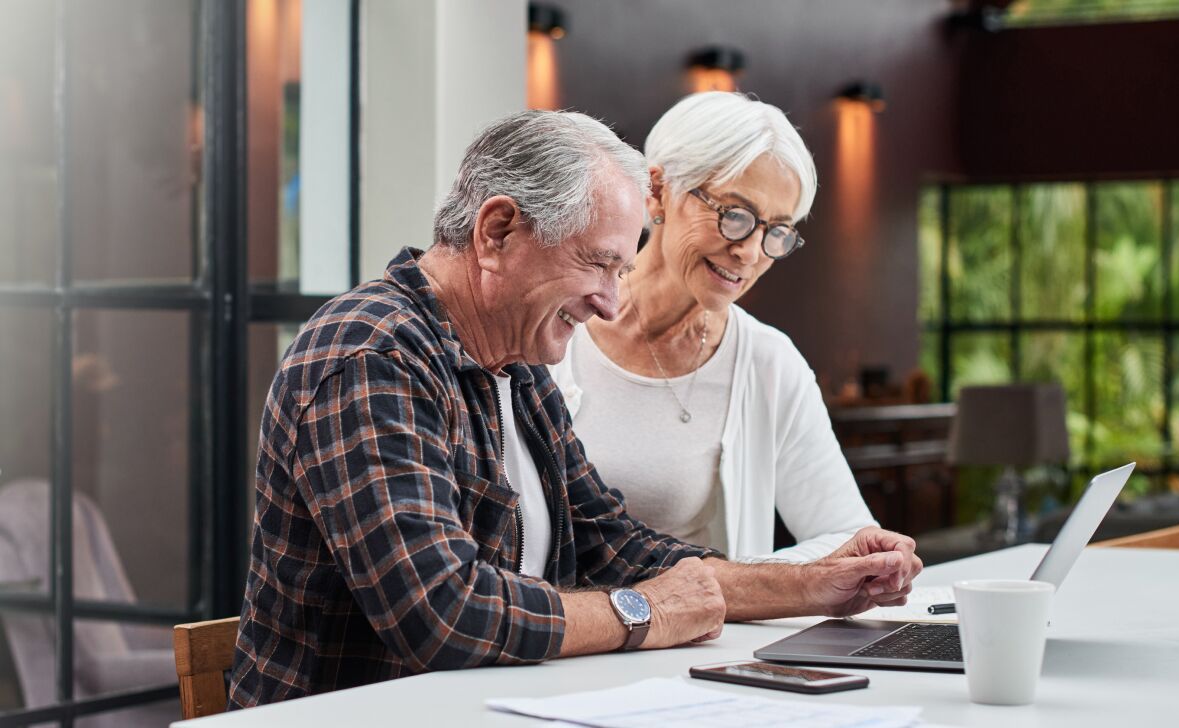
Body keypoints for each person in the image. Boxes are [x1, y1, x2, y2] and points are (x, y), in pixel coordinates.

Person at [228, 110, 921, 709]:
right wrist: (644, 610)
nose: (611, 304)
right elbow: (442, 614)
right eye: (599, 265)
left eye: (622, 271)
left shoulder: (517, 363)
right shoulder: (370, 354)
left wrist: (815, 586)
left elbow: (615, 544)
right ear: (498, 232)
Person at [551, 92, 878, 561]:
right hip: (559, 628)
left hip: (702, 634)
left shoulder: (768, 363)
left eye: (776, 230)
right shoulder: (554, 329)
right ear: (658, 192)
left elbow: (850, 539)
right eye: (735, 215)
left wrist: (740, 584)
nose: (750, 252)